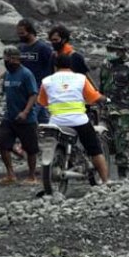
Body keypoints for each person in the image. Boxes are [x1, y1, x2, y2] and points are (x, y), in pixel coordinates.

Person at [38, 54, 110, 184]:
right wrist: (105, 100)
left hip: (56, 122)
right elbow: (94, 97)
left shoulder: (46, 81)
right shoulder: (80, 78)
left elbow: (42, 102)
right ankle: (105, 181)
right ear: (70, 66)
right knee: (95, 149)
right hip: (79, 121)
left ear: (55, 66)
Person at [99, 38, 129, 179]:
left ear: (121, 51)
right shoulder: (105, 64)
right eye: (109, 50)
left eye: (114, 50)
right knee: (107, 141)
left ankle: (122, 176)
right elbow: (102, 85)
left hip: (124, 110)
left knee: (122, 142)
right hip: (108, 107)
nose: (110, 53)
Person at [0, 46, 39, 185]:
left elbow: (33, 94)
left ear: (15, 59)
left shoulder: (26, 74)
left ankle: (32, 176)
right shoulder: (7, 75)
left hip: (26, 118)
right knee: (2, 144)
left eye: (7, 60)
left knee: (30, 148)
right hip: (10, 117)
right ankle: (11, 174)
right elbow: (5, 92)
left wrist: (25, 112)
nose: (6, 63)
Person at [17, 19, 54, 123]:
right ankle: (49, 133)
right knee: (41, 116)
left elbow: (53, 65)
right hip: (24, 87)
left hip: (39, 87)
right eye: (19, 33)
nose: (20, 36)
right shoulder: (21, 48)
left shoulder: (43, 48)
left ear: (30, 32)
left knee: (30, 114)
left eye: (22, 33)